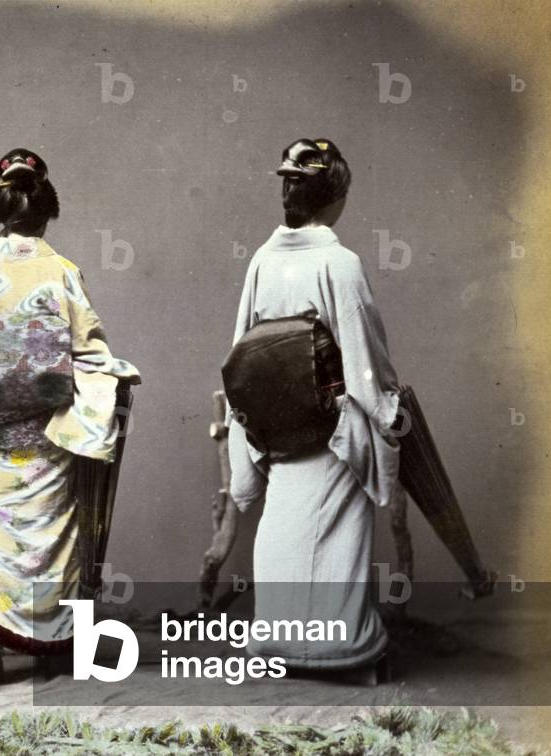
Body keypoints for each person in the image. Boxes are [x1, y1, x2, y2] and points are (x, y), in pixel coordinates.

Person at [0, 148, 139, 686]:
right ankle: (57, 642)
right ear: (47, 210)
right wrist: (116, 374)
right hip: (50, 425)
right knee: (56, 529)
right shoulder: (62, 272)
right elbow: (88, 349)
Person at [226, 138, 400, 677]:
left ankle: (278, 646)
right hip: (331, 430)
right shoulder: (338, 263)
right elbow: (364, 358)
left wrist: (249, 426)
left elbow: (242, 354)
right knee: (335, 540)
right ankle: (338, 651)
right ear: (336, 197)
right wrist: (390, 413)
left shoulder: (262, 260)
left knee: (281, 535)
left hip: (278, 428)